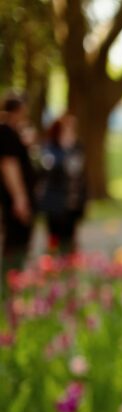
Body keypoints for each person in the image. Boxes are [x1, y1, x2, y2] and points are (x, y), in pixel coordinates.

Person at [37, 114, 87, 257]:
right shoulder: (50, 148)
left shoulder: (77, 147)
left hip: (73, 202)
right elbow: (49, 168)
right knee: (54, 239)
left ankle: (68, 270)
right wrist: (65, 152)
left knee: (70, 240)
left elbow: (80, 174)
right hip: (55, 203)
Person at [0, 92, 36, 286]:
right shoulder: (5, 132)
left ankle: (15, 278)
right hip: (15, 197)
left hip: (20, 195)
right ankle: (10, 280)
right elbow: (9, 166)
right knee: (15, 239)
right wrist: (19, 198)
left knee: (21, 239)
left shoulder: (14, 132)